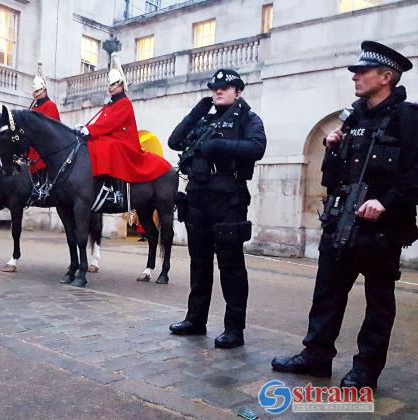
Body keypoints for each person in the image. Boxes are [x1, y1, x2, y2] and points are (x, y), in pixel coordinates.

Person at [271, 41, 418, 390]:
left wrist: (386, 202)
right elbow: (332, 178)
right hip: (341, 221)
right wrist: (333, 149)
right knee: (327, 292)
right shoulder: (352, 118)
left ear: (386, 77)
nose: (355, 76)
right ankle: (316, 356)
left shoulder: (408, 118)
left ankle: (366, 370)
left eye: (363, 71)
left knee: (378, 301)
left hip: (381, 228)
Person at [167, 68, 266, 349]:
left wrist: (219, 145)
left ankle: (234, 328)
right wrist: (196, 112)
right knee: (199, 263)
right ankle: (195, 319)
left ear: (238, 91)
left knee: (231, 266)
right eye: (214, 89)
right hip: (198, 198)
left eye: (225, 88)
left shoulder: (247, 118)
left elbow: (257, 147)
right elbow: (174, 141)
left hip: (228, 200)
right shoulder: (205, 120)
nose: (218, 92)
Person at [75, 52, 171, 183]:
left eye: (113, 85)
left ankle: (111, 185)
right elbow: (101, 123)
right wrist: (86, 128)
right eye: (109, 85)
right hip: (113, 137)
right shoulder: (111, 103)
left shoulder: (124, 103)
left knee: (107, 145)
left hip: (125, 142)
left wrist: (90, 131)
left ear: (121, 85)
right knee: (93, 143)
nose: (110, 88)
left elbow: (110, 124)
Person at [28, 62, 61, 184]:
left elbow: (50, 128)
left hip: (45, 143)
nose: (35, 93)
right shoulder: (34, 108)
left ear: (44, 90)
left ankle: (43, 182)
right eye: (34, 91)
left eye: (38, 91)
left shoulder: (50, 106)